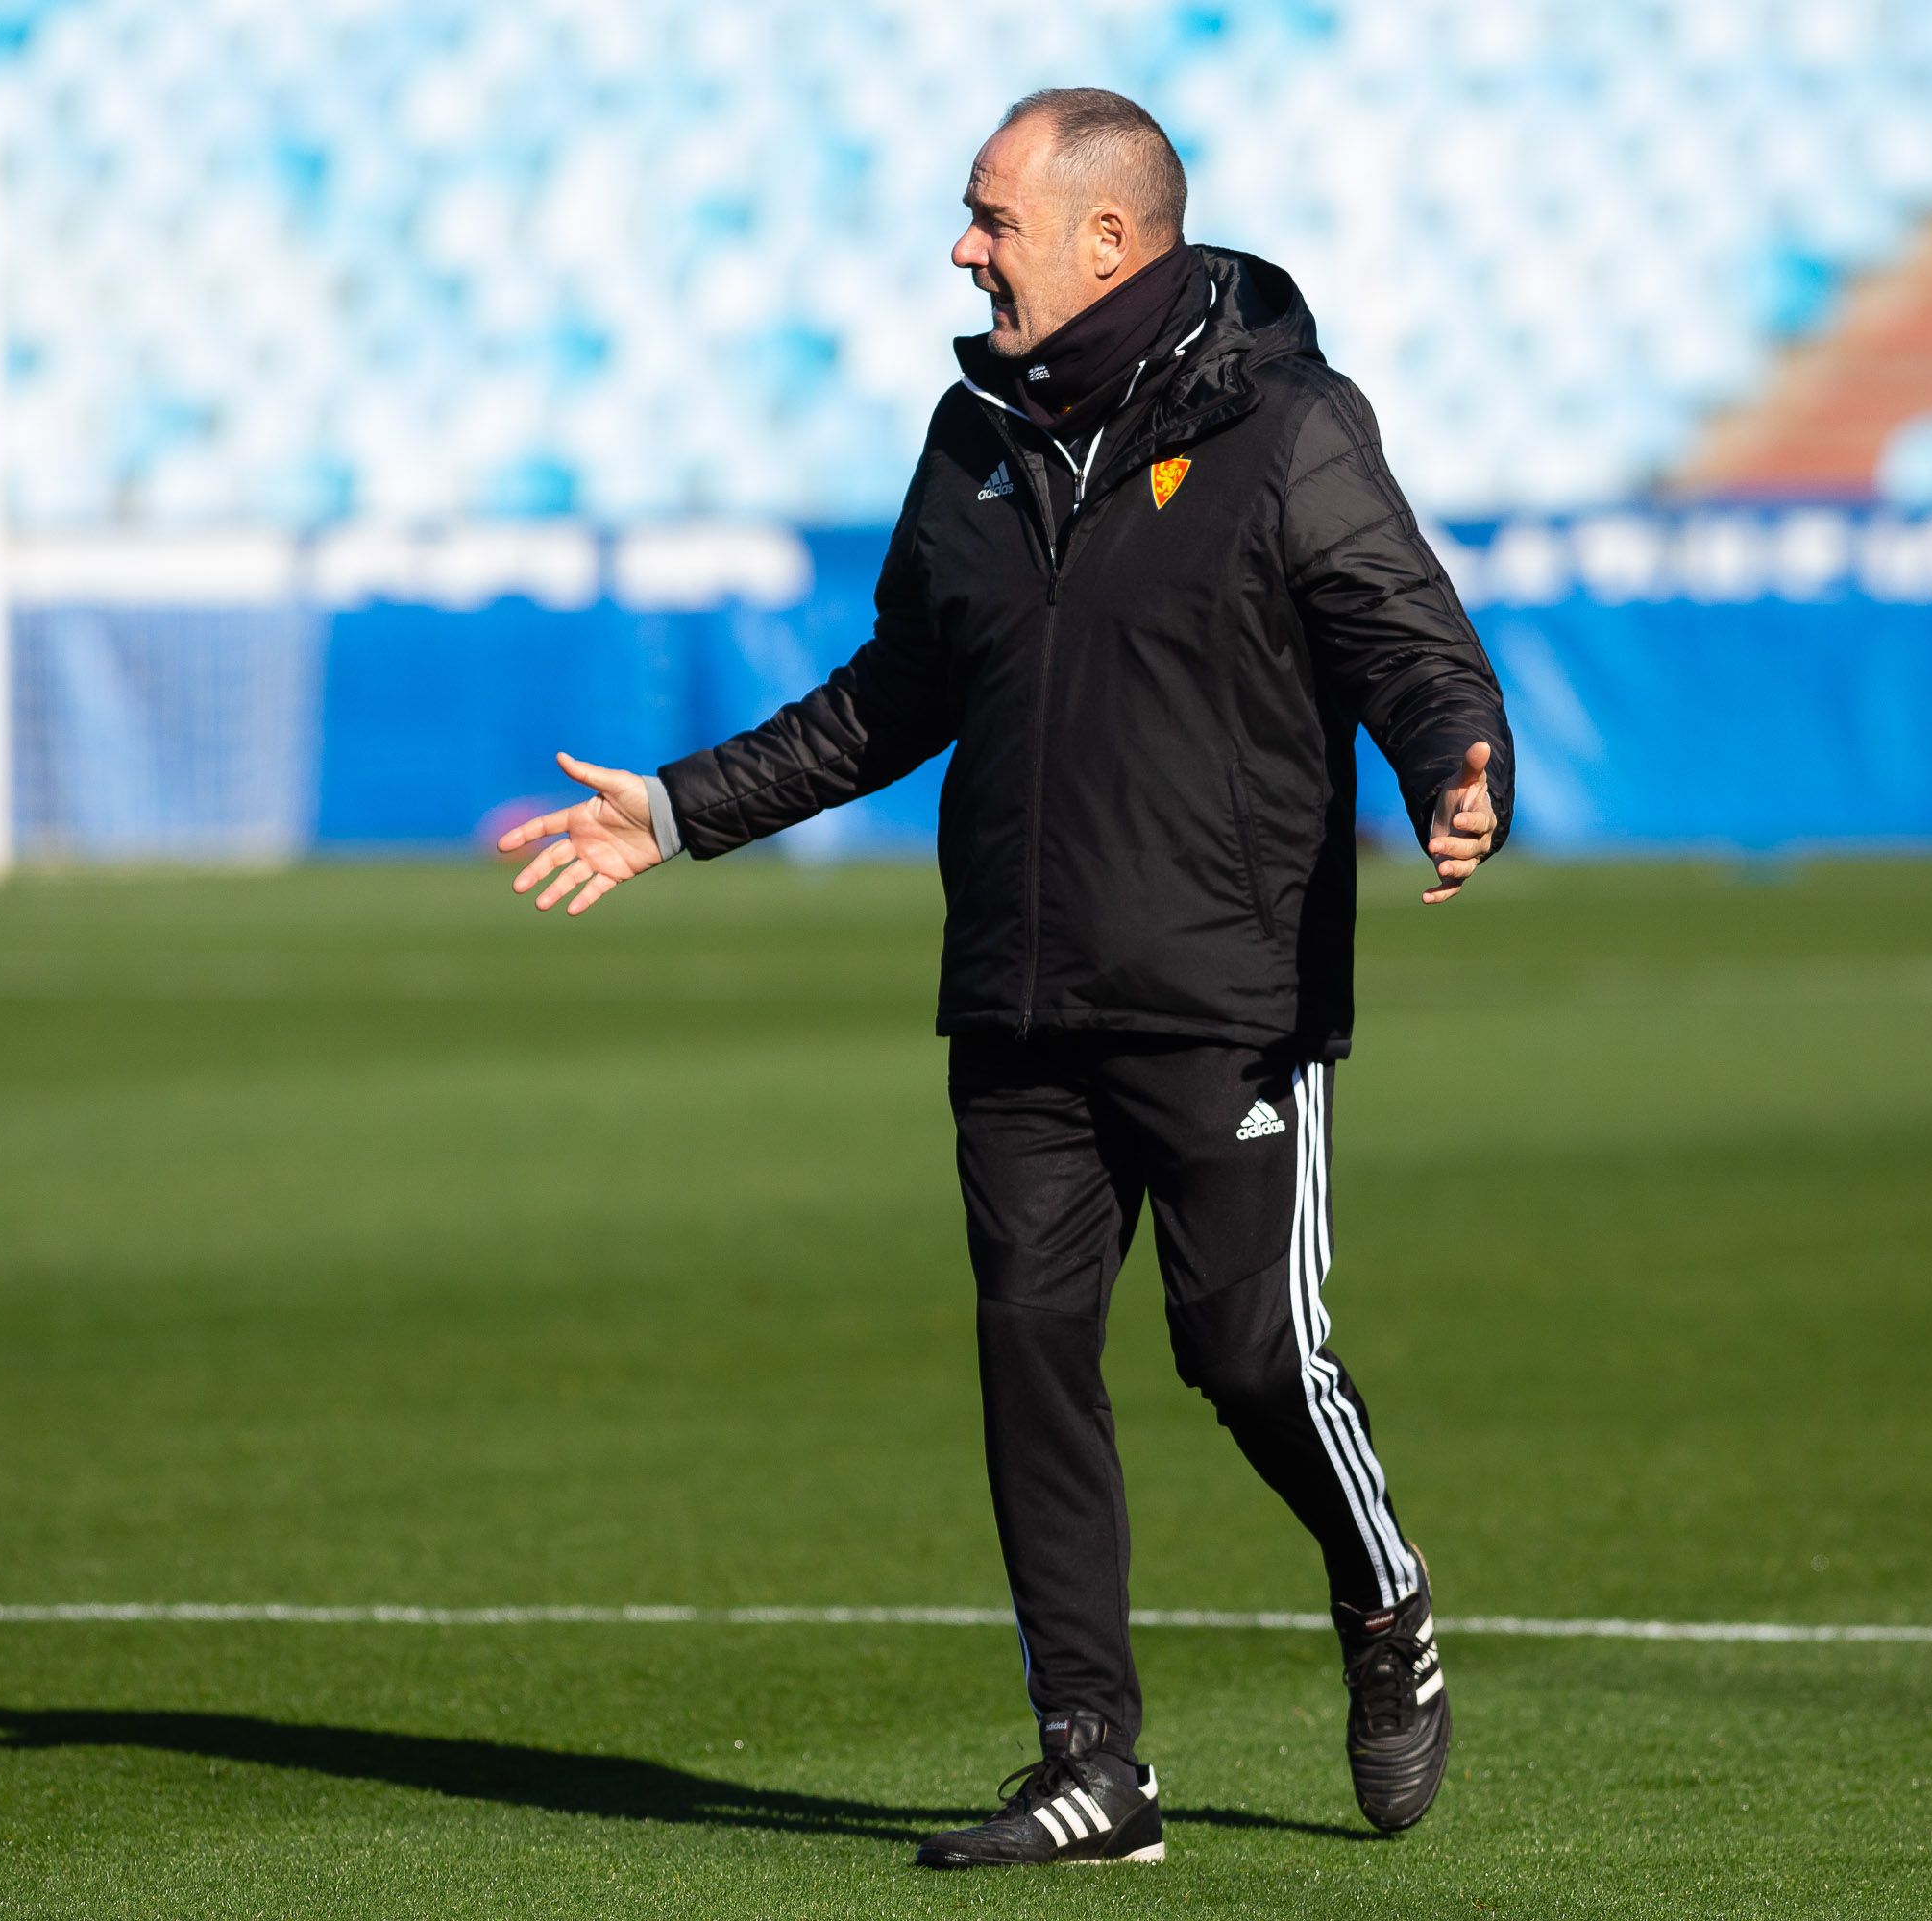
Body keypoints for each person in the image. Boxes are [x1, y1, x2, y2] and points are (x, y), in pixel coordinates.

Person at [496, 87, 1511, 1868]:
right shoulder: (971, 434)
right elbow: (898, 692)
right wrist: (679, 812)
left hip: (1227, 993)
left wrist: (1460, 764)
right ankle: (1091, 1763)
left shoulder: (1288, 425)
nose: (963, 249)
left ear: (1107, 240)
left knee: (1249, 1356)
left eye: (992, 219)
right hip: (1018, 999)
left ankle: (1382, 1597)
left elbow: (1406, 635)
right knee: (1034, 1357)